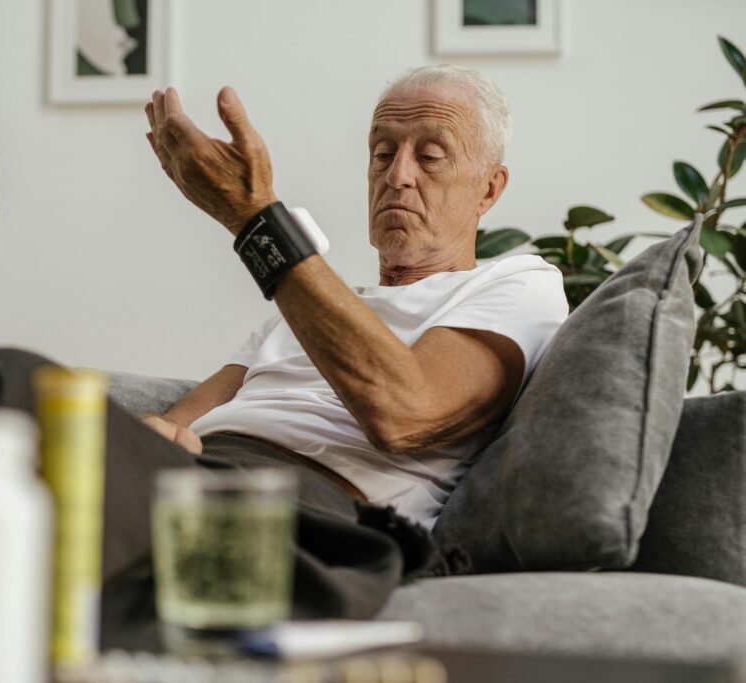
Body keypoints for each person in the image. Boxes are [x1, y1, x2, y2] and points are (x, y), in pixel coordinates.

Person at [141, 65, 569, 530]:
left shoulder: (520, 284)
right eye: (383, 154)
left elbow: (405, 415)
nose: (397, 175)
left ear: (488, 188)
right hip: (193, 477)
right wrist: (146, 439)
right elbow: (175, 426)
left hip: (310, 506)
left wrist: (255, 220)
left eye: (429, 156)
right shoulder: (304, 308)